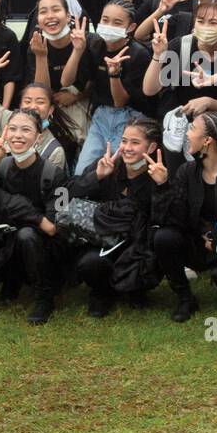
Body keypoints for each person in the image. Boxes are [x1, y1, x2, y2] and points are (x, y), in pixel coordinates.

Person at [0, 108, 66, 324]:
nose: (18, 135)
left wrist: (18, 206)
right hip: (5, 243)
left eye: (26, 130)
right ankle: (11, 280)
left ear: (38, 137)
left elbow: (53, 227)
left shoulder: (53, 174)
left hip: (43, 248)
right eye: (13, 129)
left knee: (26, 235)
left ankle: (45, 296)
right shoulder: (3, 166)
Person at [68, 116, 167, 318]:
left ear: (151, 147)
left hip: (139, 243)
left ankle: (135, 290)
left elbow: (168, 217)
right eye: (124, 141)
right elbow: (67, 195)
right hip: (104, 239)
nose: (127, 148)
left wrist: (162, 186)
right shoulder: (105, 164)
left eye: (135, 142)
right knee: (90, 262)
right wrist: (97, 176)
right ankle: (101, 293)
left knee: (156, 247)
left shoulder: (160, 174)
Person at [152, 111, 217, 322]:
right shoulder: (186, 171)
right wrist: (164, 185)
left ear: (207, 141)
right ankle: (185, 298)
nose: (187, 135)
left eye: (192, 129)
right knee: (164, 237)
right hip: (196, 242)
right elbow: (175, 217)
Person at [143, 0, 217, 166]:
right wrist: (158, 55)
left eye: (213, 23)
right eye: (200, 21)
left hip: (216, 131)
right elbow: (150, 89)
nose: (205, 28)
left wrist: (208, 102)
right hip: (178, 129)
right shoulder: (179, 47)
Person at [68, 0, 152, 174]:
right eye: (105, 20)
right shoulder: (95, 45)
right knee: (82, 171)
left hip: (131, 119)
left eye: (117, 22)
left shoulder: (138, 54)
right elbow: (67, 82)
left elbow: (120, 102)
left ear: (130, 27)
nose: (109, 25)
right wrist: (78, 50)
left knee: (119, 172)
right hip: (100, 116)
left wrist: (114, 73)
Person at [27, 0, 91, 148]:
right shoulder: (36, 45)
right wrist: (41, 56)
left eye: (56, 10)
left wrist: (77, 96)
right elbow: (42, 90)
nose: (49, 16)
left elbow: (98, 81)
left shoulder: (89, 41)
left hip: (84, 104)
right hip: (52, 106)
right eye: (43, 12)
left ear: (68, 16)